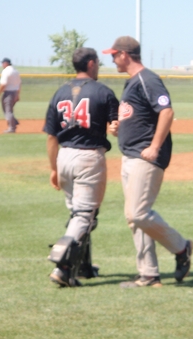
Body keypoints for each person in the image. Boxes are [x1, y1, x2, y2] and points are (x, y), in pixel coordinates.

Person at [103, 36, 193, 288]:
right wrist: (119, 127)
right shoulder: (132, 82)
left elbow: (166, 111)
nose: (111, 59)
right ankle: (148, 274)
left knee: (138, 213)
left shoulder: (147, 79)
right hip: (130, 154)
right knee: (133, 218)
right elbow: (140, 116)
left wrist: (154, 147)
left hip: (145, 156)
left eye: (114, 54)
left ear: (125, 54)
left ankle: (181, 247)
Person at [43, 47, 119, 287]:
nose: (98, 66)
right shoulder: (104, 92)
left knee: (79, 215)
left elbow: (51, 137)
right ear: (90, 64)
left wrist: (54, 168)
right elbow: (116, 126)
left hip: (63, 156)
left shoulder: (60, 92)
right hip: (88, 158)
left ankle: (82, 266)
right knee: (85, 216)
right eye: (97, 62)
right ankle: (63, 267)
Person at [0, 58, 21, 133]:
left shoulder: (6, 71)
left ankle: (12, 128)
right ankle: (14, 121)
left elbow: (3, 84)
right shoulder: (15, 71)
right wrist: (18, 94)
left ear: (6, 63)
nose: (2, 65)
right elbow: (19, 83)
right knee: (8, 110)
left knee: (8, 111)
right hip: (15, 92)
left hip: (8, 93)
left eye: (2, 63)